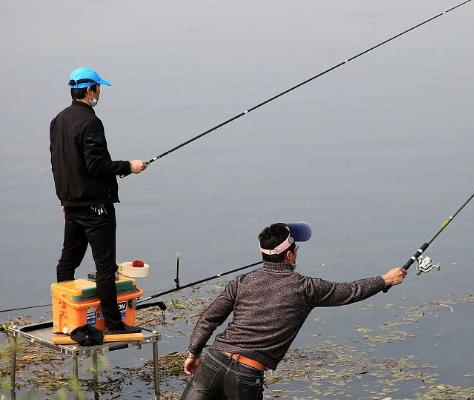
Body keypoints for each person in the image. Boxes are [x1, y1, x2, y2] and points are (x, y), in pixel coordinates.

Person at [180, 222, 407, 400]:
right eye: (296, 249)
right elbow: (351, 291)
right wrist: (385, 279)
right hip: (246, 375)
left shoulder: (242, 281)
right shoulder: (306, 288)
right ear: (289, 255)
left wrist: (193, 353)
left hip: (213, 363)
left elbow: (208, 319)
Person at [50, 67, 147, 334]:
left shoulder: (58, 120)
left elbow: (57, 164)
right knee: (105, 267)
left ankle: (65, 317)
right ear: (90, 90)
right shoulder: (90, 122)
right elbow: (96, 165)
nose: (99, 93)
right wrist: (130, 165)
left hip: (71, 203)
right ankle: (115, 324)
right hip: (96, 207)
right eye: (98, 88)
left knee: (68, 261)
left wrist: (63, 199)